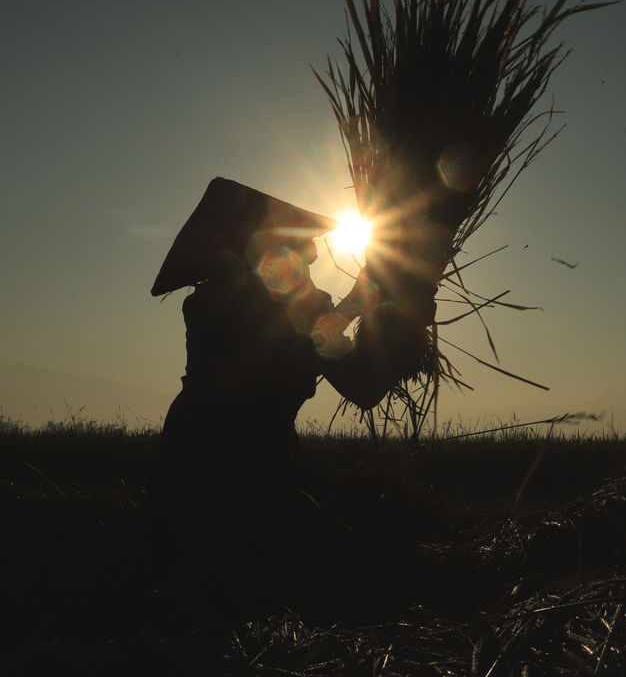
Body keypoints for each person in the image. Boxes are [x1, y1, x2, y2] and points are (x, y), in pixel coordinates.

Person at [147, 177, 436, 622]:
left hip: (186, 467)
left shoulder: (206, 304)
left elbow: (302, 337)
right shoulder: (267, 309)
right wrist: (384, 314)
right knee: (347, 586)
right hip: (246, 480)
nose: (311, 262)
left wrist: (359, 310)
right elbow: (362, 385)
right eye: (302, 256)